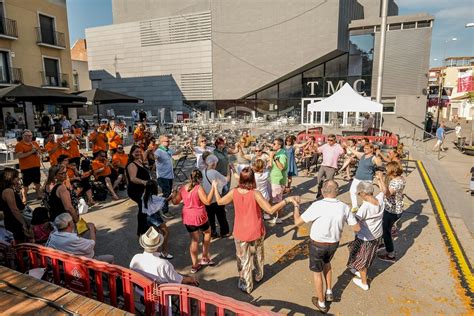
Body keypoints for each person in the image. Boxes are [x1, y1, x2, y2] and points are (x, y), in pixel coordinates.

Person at [213, 167, 298, 294]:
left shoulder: (234, 192)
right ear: (253, 179)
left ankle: (246, 284)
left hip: (240, 231)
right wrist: (286, 200)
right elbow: (270, 210)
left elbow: (219, 202)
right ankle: (259, 274)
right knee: (258, 254)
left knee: (243, 259)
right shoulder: (255, 194)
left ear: (241, 179)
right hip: (256, 229)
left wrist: (214, 187)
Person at [293, 180, 360, 313]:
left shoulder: (317, 205)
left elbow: (297, 222)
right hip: (333, 244)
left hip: (317, 244)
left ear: (323, 191)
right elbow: (356, 228)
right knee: (327, 263)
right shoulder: (344, 207)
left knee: (317, 273)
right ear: (338, 192)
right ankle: (329, 291)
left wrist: (296, 206)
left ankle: (321, 302)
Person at [170, 170, 215, 274]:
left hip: (188, 217)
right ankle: (204, 257)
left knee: (194, 240)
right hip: (199, 216)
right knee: (207, 232)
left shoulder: (183, 188)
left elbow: (175, 202)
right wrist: (213, 187)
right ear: (200, 179)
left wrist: (174, 192)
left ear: (190, 178)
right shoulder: (198, 188)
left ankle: (194, 265)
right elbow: (207, 201)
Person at [347, 181, 384, 291]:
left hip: (366, 237)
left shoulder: (365, 208)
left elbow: (355, 223)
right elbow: (384, 191)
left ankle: (364, 283)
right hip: (377, 235)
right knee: (354, 249)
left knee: (363, 259)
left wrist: (349, 216)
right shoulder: (380, 199)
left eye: (359, 193)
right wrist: (380, 179)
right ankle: (355, 267)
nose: (359, 196)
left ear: (363, 193)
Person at [130, 227, 199, 286]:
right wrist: (190, 279)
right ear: (158, 245)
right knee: (193, 283)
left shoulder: (136, 258)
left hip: (141, 289)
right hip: (160, 295)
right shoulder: (163, 264)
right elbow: (178, 280)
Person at [46, 213, 113, 263]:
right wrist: (92, 229)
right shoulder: (73, 239)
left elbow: (74, 238)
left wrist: (83, 229)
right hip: (81, 263)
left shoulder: (53, 234)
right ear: (69, 224)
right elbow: (92, 244)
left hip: (63, 262)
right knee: (110, 257)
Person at [377, 162, 406, 263]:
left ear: (391, 171)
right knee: (384, 228)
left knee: (386, 232)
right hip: (393, 208)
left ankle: (391, 254)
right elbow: (383, 190)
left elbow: (387, 193)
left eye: (387, 169)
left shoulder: (395, 182)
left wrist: (380, 179)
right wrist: (379, 181)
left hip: (392, 210)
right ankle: (382, 244)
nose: (385, 170)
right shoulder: (400, 178)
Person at [346, 143, 382, 211]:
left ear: (371, 149)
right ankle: (355, 207)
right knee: (352, 191)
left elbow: (379, 164)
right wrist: (347, 146)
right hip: (357, 177)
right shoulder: (362, 155)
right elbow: (355, 152)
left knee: (366, 195)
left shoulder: (373, 157)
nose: (364, 149)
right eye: (364, 148)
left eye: (367, 148)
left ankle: (366, 208)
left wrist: (378, 154)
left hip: (367, 179)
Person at [142, 180, 173, 259]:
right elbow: (166, 200)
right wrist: (173, 193)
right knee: (166, 232)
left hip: (148, 217)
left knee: (156, 234)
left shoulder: (144, 196)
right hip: (155, 217)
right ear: (154, 188)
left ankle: (155, 252)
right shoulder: (153, 197)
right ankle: (164, 252)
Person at [201, 154, 230, 238]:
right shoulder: (214, 172)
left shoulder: (203, 172)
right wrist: (229, 170)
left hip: (207, 199)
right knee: (221, 216)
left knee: (210, 218)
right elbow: (226, 180)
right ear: (213, 163)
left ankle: (212, 233)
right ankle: (224, 232)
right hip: (216, 199)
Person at [154, 135, 182, 219]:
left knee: (168, 193)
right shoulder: (159, 151)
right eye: (166, 141)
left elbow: (176, 153)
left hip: (169, 176)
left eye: (168, 141)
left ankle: (163, 208)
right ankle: (164, 211)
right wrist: (151, 154)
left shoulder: (168, 150)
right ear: (161, 142)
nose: (168, 142)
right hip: (162, 177)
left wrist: (183, 147)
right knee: (166, 194)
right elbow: (154, 157)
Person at [126, 145, 151, 235]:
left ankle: (144, 228)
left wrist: (147, 151)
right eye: (136, 152)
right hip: (135, 190)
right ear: (131, 153)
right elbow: (132, 178)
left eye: (139, 151)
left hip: (143, 189)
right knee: (143, 206)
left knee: (144, 208)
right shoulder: (132, 164)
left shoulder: (139, 161)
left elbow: (144, 157)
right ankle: (142, 231)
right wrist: (144, 182)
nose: (138, 153)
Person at [0, 168, 30, 243]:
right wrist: (23, 223)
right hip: (14, 221)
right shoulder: (8, 191)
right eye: (16, 177)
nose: (18, 178)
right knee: (20, 243)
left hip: (12, 220)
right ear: (10, 178)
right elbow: (14, 209)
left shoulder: (8, 189)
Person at [15, 129, 43, 203]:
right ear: (23, 136)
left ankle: (38, 194)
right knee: (25, 184)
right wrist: (31, 152)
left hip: (36, 165)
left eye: (30, 135)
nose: (29, 137)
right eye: (27, 136)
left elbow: (39, 152)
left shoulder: (34, 143)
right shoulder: (19, 145)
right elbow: (19, 156)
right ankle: (24, 197)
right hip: (26, 167)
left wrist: (38, 151)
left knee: (37, 182)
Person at [268, 137, 288, 224]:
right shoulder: (277, 153)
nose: (273, 145)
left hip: (278, 180)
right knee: (274, 199)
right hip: (273, 179)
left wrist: (274, 157)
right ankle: (274, 215)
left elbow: (281, 168)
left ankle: (279, 218)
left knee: (277, 201)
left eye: (274, 144)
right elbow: (270, 166)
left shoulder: (282, 155)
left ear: (279, 145)